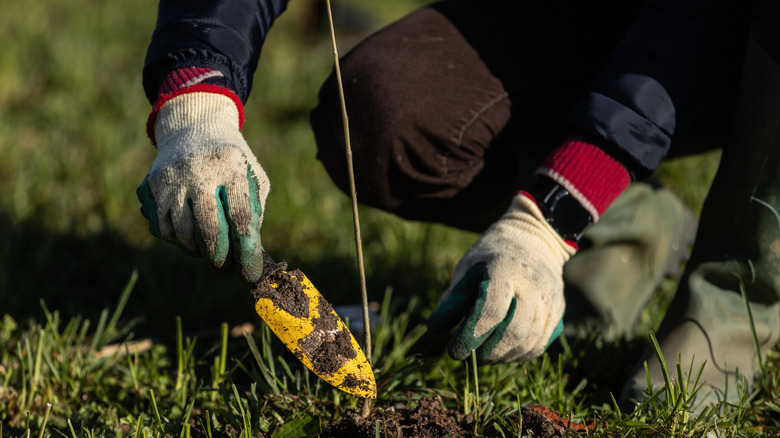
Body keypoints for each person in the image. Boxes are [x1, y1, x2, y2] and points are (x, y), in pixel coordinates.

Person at [138, 0, 780, 412]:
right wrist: (199, 99)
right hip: (569, 19)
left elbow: (694, 21)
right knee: (383, 113)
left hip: (731, 36)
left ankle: (737, 296)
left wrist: (546, 221)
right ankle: (623, 222)